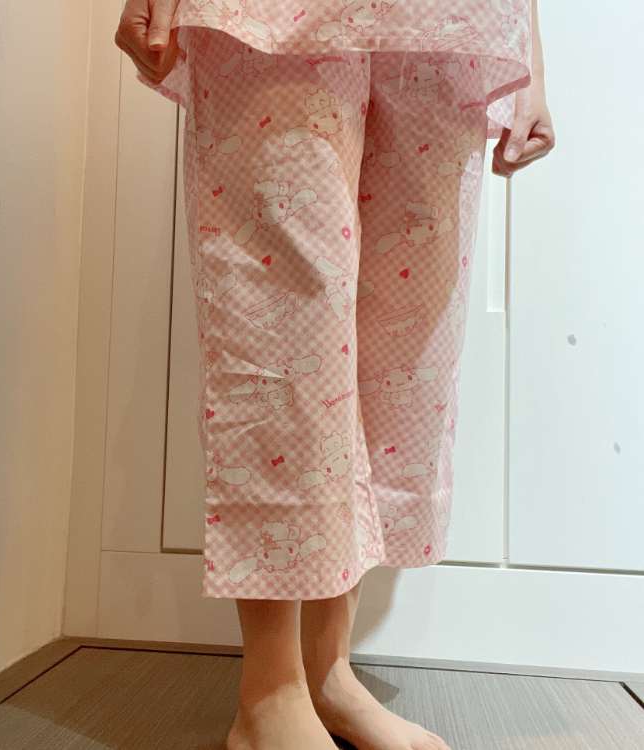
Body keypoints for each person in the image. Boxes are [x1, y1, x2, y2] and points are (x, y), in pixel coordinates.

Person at [116, 2, 555, 749]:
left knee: (401, 346)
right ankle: (270, 694)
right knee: (283, 310)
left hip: (455, 19)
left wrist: (531, 47)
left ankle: (328, 675)